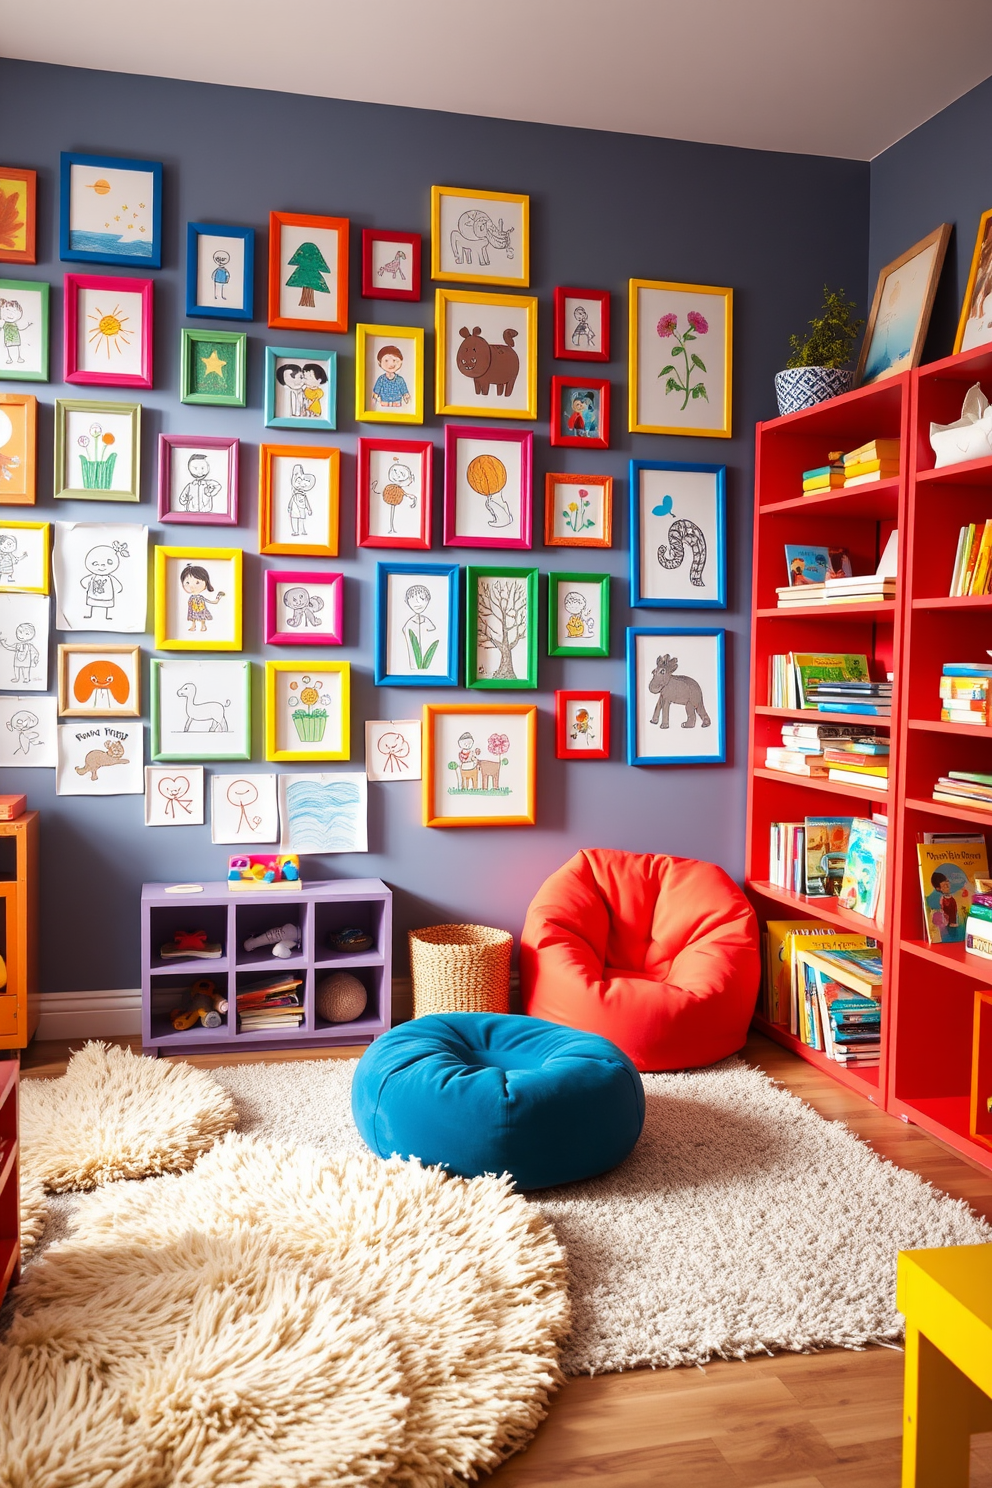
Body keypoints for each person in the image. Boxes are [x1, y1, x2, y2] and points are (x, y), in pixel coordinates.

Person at [181, 563, 225, 634]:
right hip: (193, 609)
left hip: (201, 609)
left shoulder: (201, 597)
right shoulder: (191, 598)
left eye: (197, 582)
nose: (192, 586)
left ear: (206, 583)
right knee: (193, 617)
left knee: (202, 617)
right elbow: (189, 604)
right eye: (187, 582)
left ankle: (203, 625)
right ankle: (193, 625)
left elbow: (210, 601)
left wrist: (218, 598)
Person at [371, 345, 411, 411]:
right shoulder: (381, 380)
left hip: (398, 407)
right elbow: (375, 394)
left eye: (394, 360)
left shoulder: (400, 380)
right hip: (383, 407)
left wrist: (406, 397)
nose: (391, 364)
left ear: (400, 361)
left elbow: (405, 393)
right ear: (379, 362)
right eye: (386, 360)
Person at [287, 463, 315, 536]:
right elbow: (291, 500)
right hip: (295, 508)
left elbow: (306, 502)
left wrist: (309, 509)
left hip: (302, 508)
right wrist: (289, 507)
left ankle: (302, 530)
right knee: (294, 519)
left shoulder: (303, 495)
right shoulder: (295, 494)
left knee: (302, 519)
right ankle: (296, 531)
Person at [0, 300, 31, 367]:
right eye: (7, 310)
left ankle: (19, 357)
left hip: (16, 338)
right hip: (8, 338)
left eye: (14, 311)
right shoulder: (4, 323)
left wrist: (27, 325)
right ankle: (9, 358)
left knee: (17, 347)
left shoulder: (15, 323)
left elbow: (20, 328)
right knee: (8, 348)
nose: (10, 314)